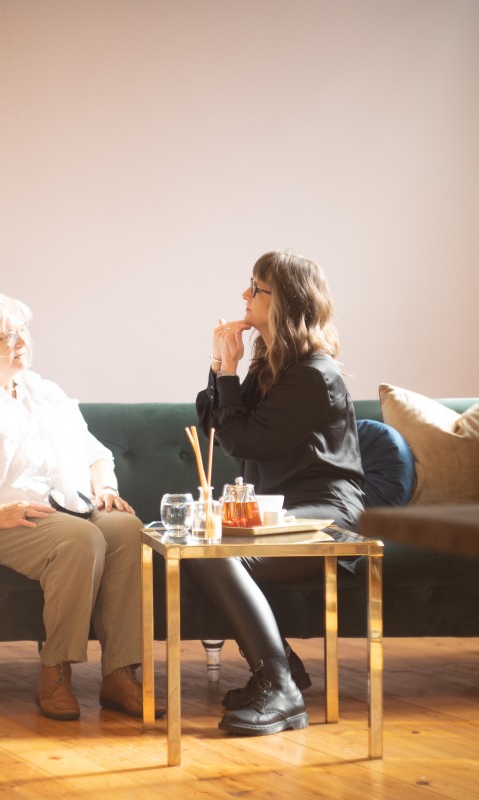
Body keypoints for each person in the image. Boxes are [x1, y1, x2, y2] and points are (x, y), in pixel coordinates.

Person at [0, 290, 163, 722]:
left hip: (72, 506)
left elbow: (95, 452)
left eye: (22, 331)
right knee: (80, 540)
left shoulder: (46, 392)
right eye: (5, 337)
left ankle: (121, 673)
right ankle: (55, 671)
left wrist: (104, 487)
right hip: (0, 520)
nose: (21, 342)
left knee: (126, 529)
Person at [190, 250, 366, 736]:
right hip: (281, 513)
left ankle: (282, 690)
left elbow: (246, 440)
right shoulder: (273, 365)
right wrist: (221, 364)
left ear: (286, 301)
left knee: (216, 553)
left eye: (257, 288)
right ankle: (281, 669)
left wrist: (229, 374)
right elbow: (215, 425)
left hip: (328, 516)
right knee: (196, 549)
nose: (244, 295)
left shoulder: (313, 375)